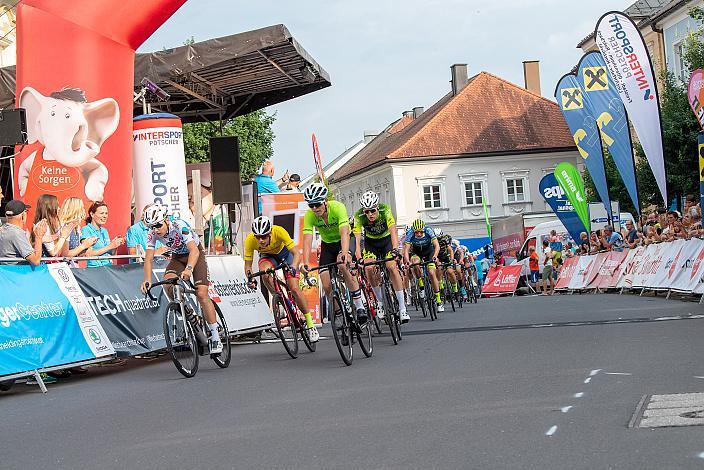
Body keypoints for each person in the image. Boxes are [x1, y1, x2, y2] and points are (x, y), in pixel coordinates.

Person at [139, 204, 223, 354]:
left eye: (158, 225)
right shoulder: (152, 234)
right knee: (168, 285)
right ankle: (190, 314)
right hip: (177, 258)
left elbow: (194, 250)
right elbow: (149, 258)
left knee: (202, 294)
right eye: (152, 226)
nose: (156, 229)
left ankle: (215, 337)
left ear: (165, 219)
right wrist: (147, 279)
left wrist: (189, 269)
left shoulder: (179, 225)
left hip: (195, 255)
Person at [299, 183, 368, 327]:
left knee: (342, 265)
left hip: (344, 241)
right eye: (311, 205)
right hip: (328, 246)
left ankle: (360, 306)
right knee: (326, 283)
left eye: (317, 204)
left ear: (324, 201)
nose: (314, 208)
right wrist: (304, 262)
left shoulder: (337, 207)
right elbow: (307, 239)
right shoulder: (310, 215)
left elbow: (344, 232)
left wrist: (344, 253)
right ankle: (339, 314)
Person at [244, 216, 319, 342]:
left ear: (270, 233)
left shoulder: (279, 231)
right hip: (267, 257)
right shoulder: (250, 240)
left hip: (285, 255)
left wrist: (294, 267)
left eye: (264, 236)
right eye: (258, 237)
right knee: (264, 273)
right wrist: (250, 279)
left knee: (294, 288)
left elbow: (296, 253)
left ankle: (311, 326)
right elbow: (248, 266)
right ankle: (278, 297)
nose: (261, 240)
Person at [353, 191, 409, 323]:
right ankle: (380, 301)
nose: (370, 214)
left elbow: (393, 230)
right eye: (366, 212)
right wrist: (359, 257)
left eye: (372, 211)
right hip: (371, 243)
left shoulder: (385, 210)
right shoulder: (359, 216)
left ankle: (402, 308)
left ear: (377, 207)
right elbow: (356, 239)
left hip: (386, 241)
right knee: (369, 268)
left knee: (391, 267)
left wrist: (395, 250)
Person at [403, 219, 444, 312]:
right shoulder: (410, 233)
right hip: (416, 252)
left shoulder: (429, 230)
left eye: (421, 232)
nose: (419, 234)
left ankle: (438, 301)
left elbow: (437, 246)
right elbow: (406, 250)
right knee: (415, 263)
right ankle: (421, 285)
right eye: (416, 232)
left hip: (429, 251)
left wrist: (435, 256)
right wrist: (407, 261)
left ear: (423, 230)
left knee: (431, 273)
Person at [0, 199, 45, 266]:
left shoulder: (3, 229)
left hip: (7, 272)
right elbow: (35, 261)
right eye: (26, 212)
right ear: (22, 216)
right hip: (17, 273)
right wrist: (39, 237)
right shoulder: (16, 233)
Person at [31, 194, 76, 258]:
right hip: (44, 266)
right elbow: (53, 252)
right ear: (50, 208)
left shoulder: (50, 225)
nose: (59, 208)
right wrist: (63, 237)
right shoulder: (43, 225)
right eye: (57, 206)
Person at [81, 201, 124, 267]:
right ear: (92, 214)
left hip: (108, 267)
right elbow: (88, 254)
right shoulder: (86, 230)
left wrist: (115, 244)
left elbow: (112, 254)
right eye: (102, 213)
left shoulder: (104, 231)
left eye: (106, 213)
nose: (104, 216)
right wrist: (110, 246)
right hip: (95, 269)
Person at [58, 197, 97, 266]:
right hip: (64, 269)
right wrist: (83, 246)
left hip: (74, 267)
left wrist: (88, 245)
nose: (84, 210)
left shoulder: (76, 228)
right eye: (82, 208)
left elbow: (78, 254)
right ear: (75, 210)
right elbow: (64, 255)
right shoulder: (65, 227)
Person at [434, 228, 459, 298]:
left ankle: (455, 289)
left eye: (439, 238)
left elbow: (450, 251)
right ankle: (441, 286)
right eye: (437, 238)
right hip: (437, 256)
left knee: (450, 272)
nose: (438, 240)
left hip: (445, 256)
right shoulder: (432, 241)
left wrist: (452, 259)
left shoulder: (445, 239)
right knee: (439, 267)